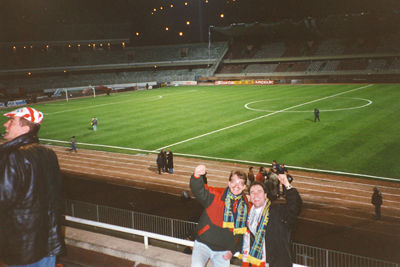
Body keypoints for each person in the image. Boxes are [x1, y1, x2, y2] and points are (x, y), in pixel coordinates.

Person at [0, 107, 65, 266]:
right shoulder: (48, 153)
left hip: (21, 246)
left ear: (25, 128)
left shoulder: (13, 156)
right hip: (47, 244)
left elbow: (3, 200)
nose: (5, 124)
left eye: (11, 121)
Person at [190, 165, 249, 267]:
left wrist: (233, 250)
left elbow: (243, 233)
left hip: (223, 252)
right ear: (229, 183)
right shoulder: (216, 194)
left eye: (241, 183)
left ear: (244, 187)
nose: (237, 185)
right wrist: (196, 176)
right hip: (203, 245)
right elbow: (199, 191)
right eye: (234, 182)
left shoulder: (246, 206)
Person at [239, 176, 302, 267]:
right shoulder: (246, 214)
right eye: (252, 192)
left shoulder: (277, 211)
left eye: (259, 191)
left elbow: (295, 207)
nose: (256, 195)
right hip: (254, 263)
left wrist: (287, 185)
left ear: (265, 195)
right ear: (249, 197)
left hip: (276, 263)